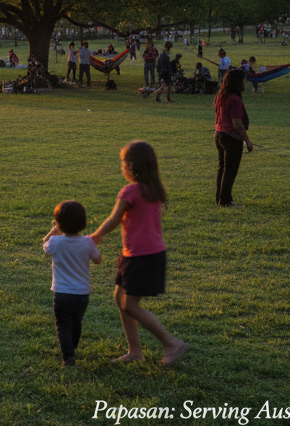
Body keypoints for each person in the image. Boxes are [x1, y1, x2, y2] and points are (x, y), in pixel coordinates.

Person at [89, 141, 187, 365]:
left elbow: (114, 219)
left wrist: (96, 236)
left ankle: (171, 343)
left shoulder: (131, 191)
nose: (121, 166)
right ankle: (134, 352)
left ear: (132, 166)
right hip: (143, 254)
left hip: (141, 257)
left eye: (123, 162)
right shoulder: (154, 190)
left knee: (130, 305)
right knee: (119, 298)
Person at [43, 200, 102, 366]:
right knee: (76, 323)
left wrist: (54, 231)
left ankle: (68, 356)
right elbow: (98, 260)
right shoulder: (87, 242)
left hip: (62, 294)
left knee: (63, 325)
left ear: (59, 224)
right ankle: (72, 347)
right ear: (83, 223)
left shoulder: (55, 242)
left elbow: (44, 244)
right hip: (82, 294)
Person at [213, 69, 254, 207]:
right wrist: (247, 140)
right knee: (230, 170)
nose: (244, 82)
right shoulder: (235, 100)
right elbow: (237, 123)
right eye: (242, 80)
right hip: (231, 138)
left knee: (222, 168)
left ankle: (220, 197)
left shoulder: (220, 96)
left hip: (219, 134)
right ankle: (225, 200)